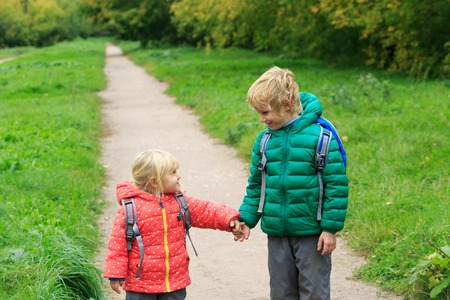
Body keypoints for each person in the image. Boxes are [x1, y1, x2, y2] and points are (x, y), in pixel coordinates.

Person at [238, 66, 348, 300]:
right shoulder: (265, 140)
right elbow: (257, 184)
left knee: (314, 292)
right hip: (277, 232)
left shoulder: (321, 138)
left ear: (286, 105)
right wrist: (246, 219)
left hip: (312, 233)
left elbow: (336, 186)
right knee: (281, 293)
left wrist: (330, 228)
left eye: (265, 112)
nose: (262, 119)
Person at [104, 149, 249, 300]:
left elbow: (206, 211)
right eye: (173, 173)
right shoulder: (130, 208)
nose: (178, 176)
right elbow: (117, 245)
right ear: (155, 181)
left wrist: (229, 218)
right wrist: (115, 274)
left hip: (174, 281)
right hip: (140, 284)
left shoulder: (179, 202)